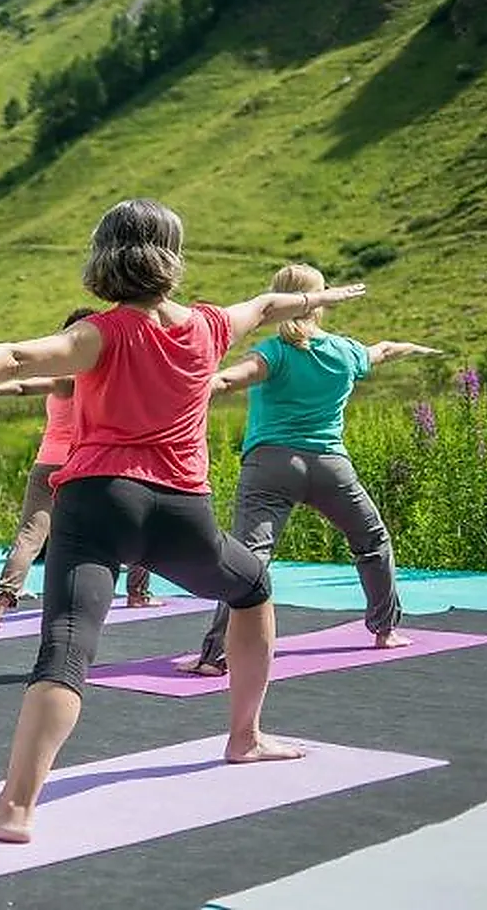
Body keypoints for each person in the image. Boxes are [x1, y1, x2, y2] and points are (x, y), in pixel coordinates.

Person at [0, 198, 367, 843]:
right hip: (181, 512)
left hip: (97, 503)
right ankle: (245, 737)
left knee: (66, 644)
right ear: (173, 258)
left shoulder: (100, 333)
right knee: (250, 586)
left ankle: (15, 809)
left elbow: (18, 356)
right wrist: (324, 296)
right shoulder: (209, 325)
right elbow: (269, 304)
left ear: (104, 258)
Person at [175, 262, 436, 676]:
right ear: (320, 301)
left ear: (279, 300)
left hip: (270, 466)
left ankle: (214, 656)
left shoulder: (273, 353)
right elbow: (381, 350)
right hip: (330, 466)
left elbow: (224, 382)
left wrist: (175, 385)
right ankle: (385, 629)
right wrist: (411, 348)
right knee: (371, 540)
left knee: (248, 559)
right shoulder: (347, 352)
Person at [0, 307, 160, 629]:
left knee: (30, 536)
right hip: (89, 466)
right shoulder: (98, 376)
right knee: (134, 526)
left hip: (49, 463)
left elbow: (25, 384)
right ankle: (138, 593)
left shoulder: (66, 375)